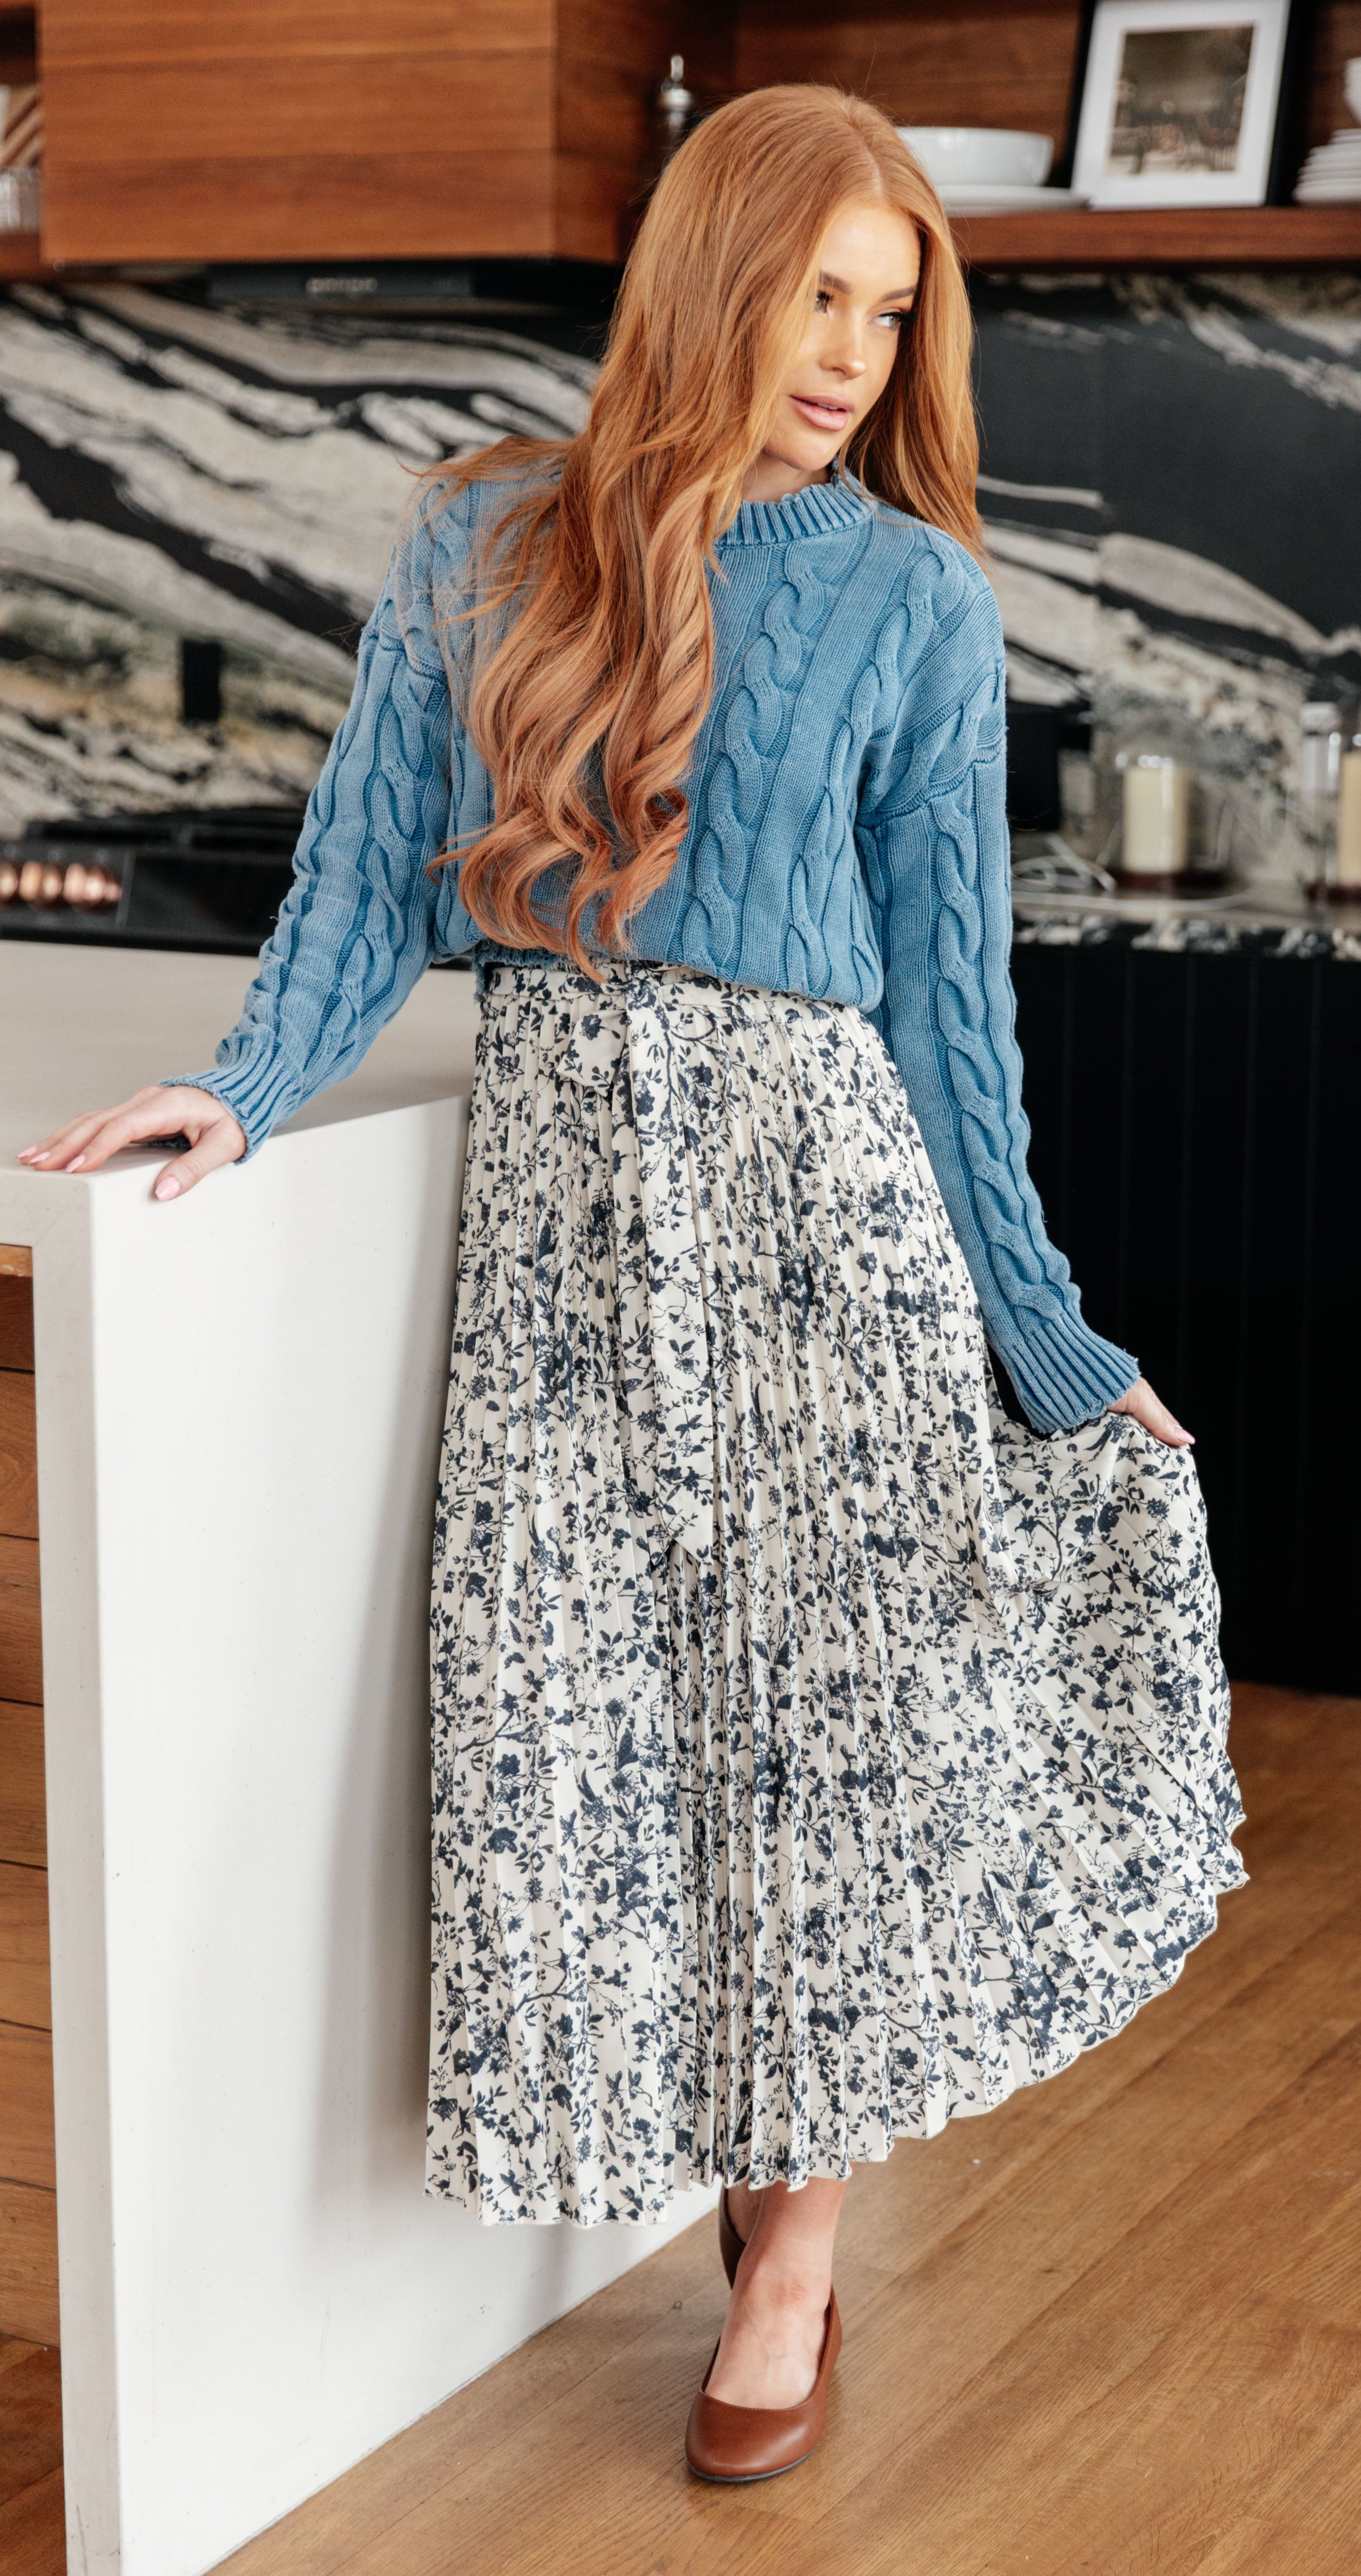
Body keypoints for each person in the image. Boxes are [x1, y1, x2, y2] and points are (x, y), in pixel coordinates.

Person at [20, 85, 1244, 2486]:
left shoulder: (912, 597)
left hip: (828, 1220)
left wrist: (1051, 1332)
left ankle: (787, 2250)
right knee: (589, 1711)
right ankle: (691, 2164)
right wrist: (240, 1091)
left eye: (897, 319)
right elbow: (367, 875)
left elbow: (947, 1006)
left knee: (829, 1737)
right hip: (573, 1238)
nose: (857, 358)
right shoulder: (485, 538)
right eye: (825, 298)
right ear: (718, 270)